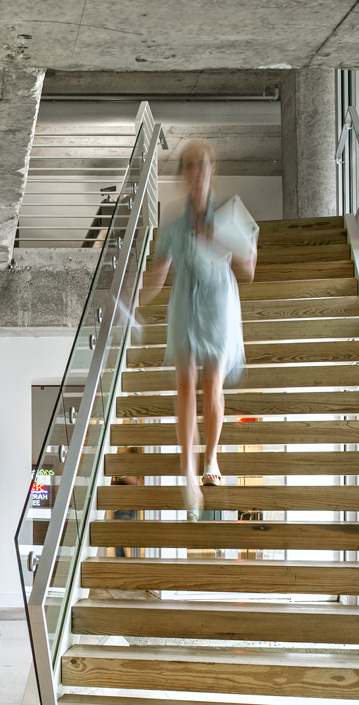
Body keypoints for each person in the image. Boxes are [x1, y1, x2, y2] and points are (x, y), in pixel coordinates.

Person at [141, 139, 255, 518]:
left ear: (211, 168)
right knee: (185, 381)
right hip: (185, 300)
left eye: (201, 164)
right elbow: (156, 278)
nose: (196, 171)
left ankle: (211, 460)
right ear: (183, 174)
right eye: (189, 165)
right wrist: (137, 294)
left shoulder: (228, 212)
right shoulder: (173, 226)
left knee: (212, 380)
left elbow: (250, 267)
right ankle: (188, 470)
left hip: (219, 299)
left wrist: (215, 235)